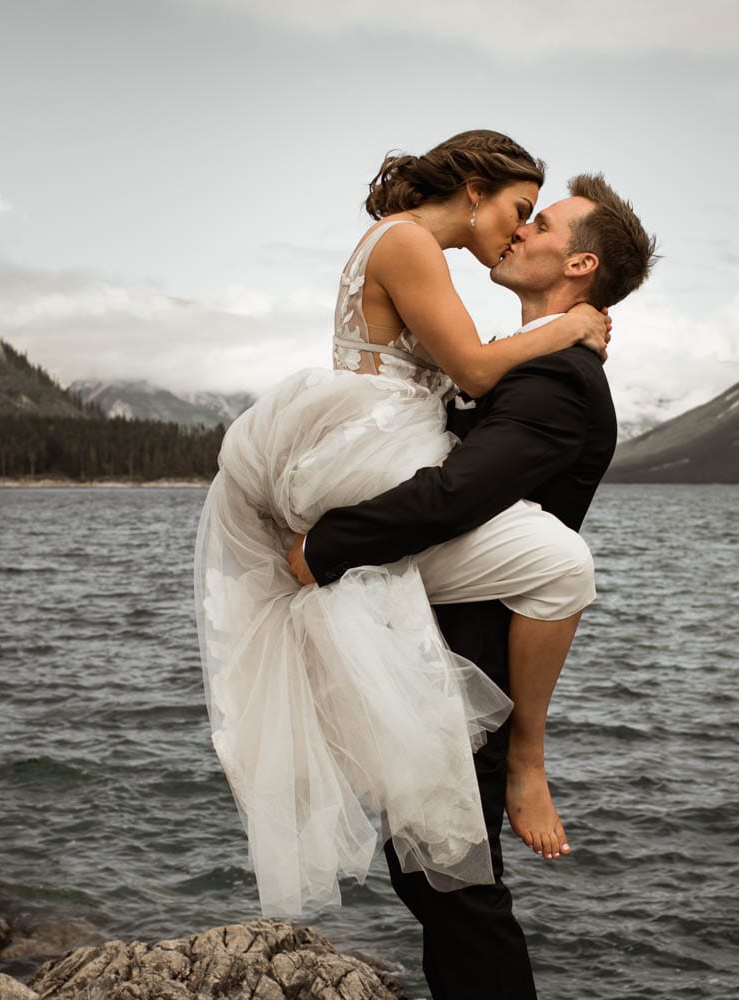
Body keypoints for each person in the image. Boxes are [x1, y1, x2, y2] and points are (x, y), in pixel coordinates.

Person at [194, 130, 613, 918]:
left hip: (383, 446)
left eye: (535, 219)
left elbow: (467, 371)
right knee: (561, 565)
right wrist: (571, 325)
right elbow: (477, 370)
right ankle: (511, 766)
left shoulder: (415, 250)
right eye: (518, 209)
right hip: (373, 451)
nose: (517, 229)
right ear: (476, 189)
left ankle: (456, 782)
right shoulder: (411, 243)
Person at [290, 173, 658, 1000]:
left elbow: (456, 497)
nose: (519, 232)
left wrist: (326, 544)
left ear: (580, 263)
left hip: (477, 659)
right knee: (433, 877)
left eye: (542, 224)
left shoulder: (558, 382)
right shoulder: (531, 363)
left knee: (457, 886)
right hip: (443, 637)